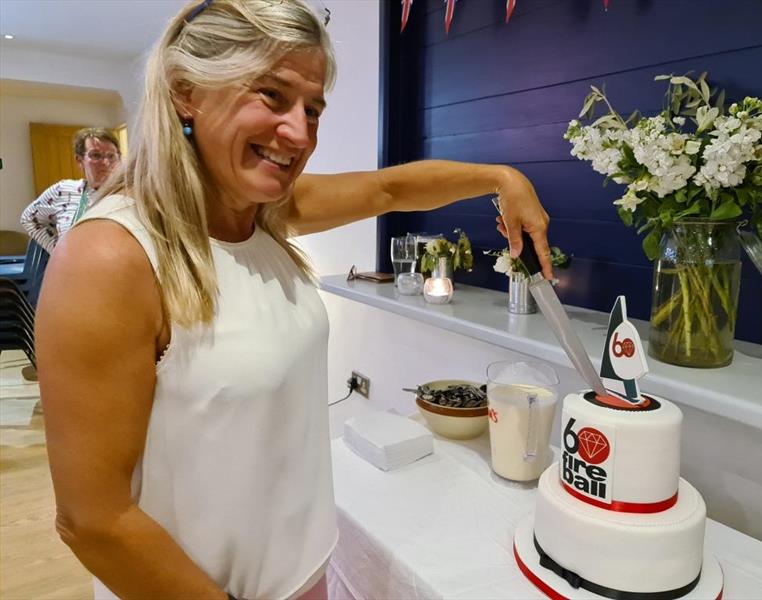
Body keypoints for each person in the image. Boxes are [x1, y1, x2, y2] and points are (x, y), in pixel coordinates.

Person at [35, 1, 553, 599]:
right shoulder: (112, 256)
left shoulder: (263, 214)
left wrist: (503, 178)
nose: (300, 134)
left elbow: (388, 188)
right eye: (272, 96)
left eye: (313, 108)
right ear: (186, 93)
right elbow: (93, 521)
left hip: (303, 572)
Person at [19, 127, 120, 253]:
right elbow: (29, 218)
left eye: (111, 156)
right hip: (74, 271)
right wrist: (58, 252)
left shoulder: (128, 195)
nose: (105, 162)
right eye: (95, 155)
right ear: (80, 160)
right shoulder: (63, 191)